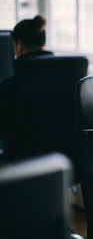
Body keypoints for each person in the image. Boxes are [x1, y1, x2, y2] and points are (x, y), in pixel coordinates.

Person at [0, 15, 54, 161]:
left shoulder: (13, 83)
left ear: (19, 45)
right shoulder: (65, 74)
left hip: (22, 162)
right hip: (60, 159)